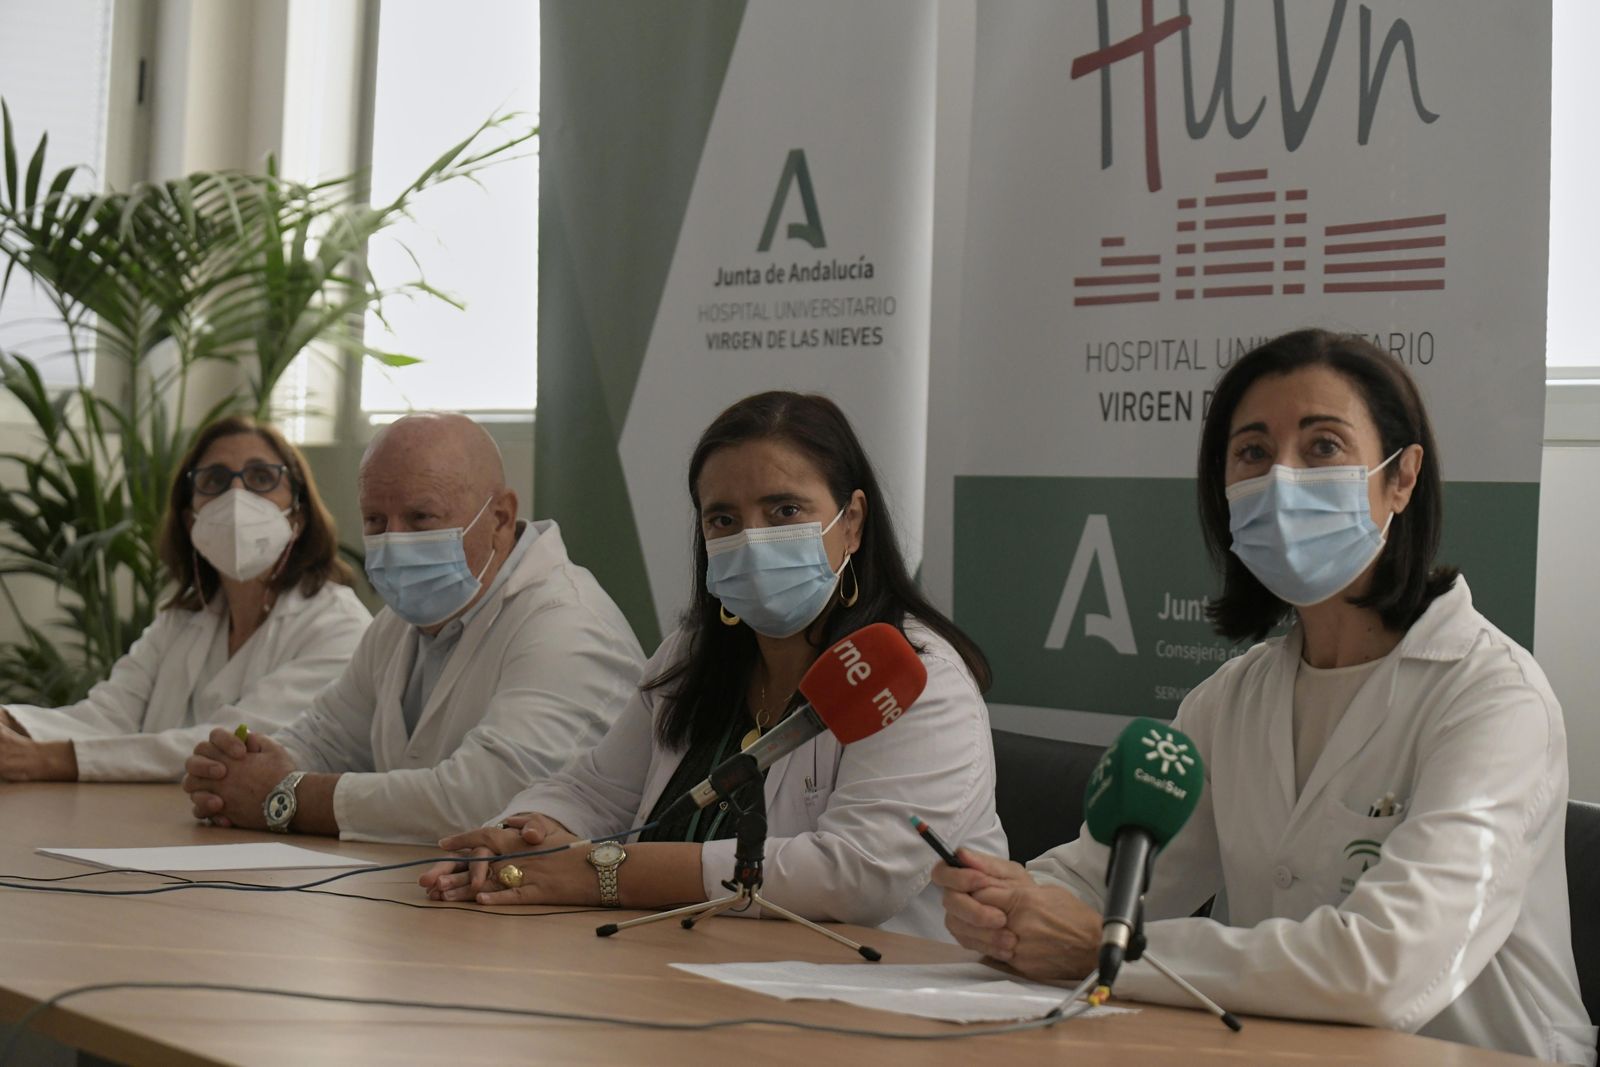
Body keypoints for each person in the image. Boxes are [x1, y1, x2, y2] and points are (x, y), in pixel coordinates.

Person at [934, 330, 1596, 1064]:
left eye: (1321, 447)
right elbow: (1105, 880)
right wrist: (1004, 901)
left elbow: (1385, 968)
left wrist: (1105, 947)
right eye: (1252, 452)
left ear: (1401, 477)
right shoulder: (1232, 699)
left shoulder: (1495, 700)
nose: (1282, 479)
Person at [419, 391, 1006, 941]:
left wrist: (601, 872)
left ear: (851, 521)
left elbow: (855, 875)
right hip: (681, 963)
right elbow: (595, 790)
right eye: (724, 519)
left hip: (875, 1000)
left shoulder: (916, 677)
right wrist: (522, 835)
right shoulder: (695, 650)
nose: (753, 539)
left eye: (784, 510)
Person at [180, 412, 644, 844]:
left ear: (500, 518)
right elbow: (326, 736)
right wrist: (239, 774)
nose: (394, 541)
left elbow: (486, 802)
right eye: (375, 521)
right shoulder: (402, 621)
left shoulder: (568, 627)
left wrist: (284, 799)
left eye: (421, 518)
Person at [0, 416, 369, 782]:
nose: (237, 497)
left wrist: (47, 759)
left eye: (261, 478)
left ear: (297, 517)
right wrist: (12, 723)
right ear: (192, 521)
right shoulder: (180, 620)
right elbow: (107, 715)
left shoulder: (338, 625)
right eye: (215, 480)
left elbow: (237, 744)